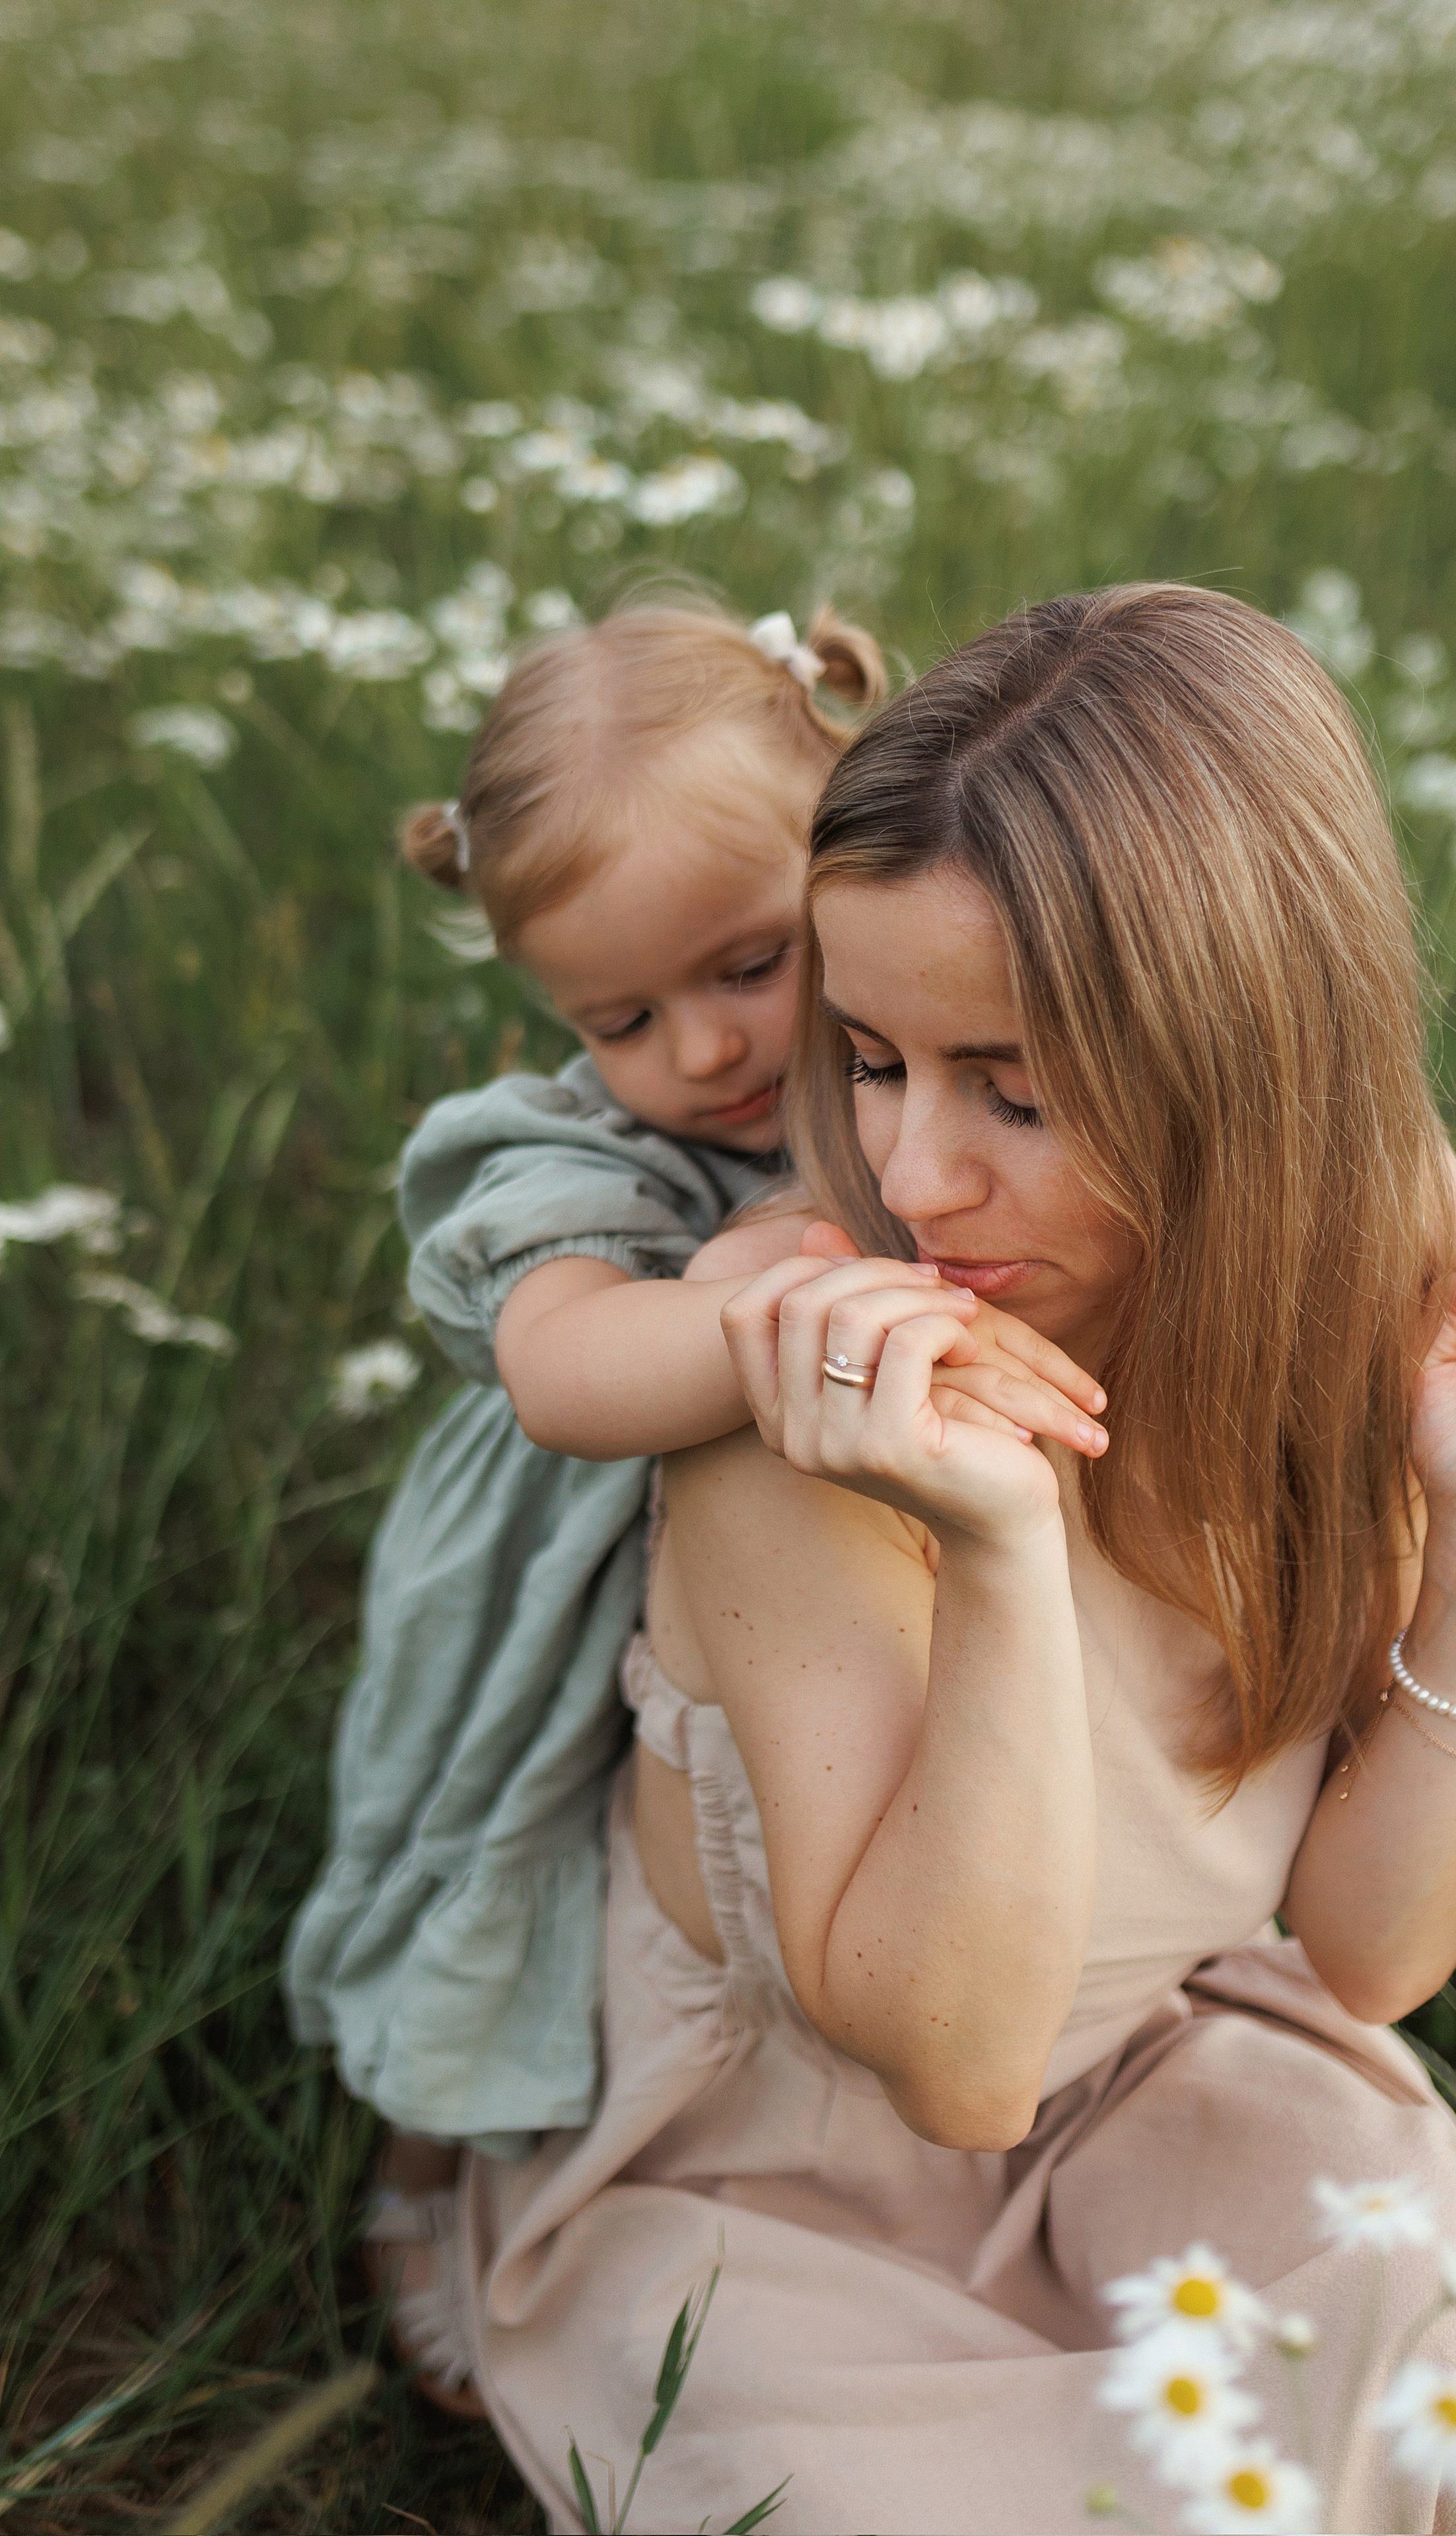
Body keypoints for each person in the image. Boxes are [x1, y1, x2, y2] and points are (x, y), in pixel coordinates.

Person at [451, 584, 1456, 2532]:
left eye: (1010, 1090)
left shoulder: (1356, 1315)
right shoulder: (813, 1380)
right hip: (773, 2176)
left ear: (1237, 1068)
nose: (917, 1173)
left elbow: (1371, 1957)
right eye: (867, 1058)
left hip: (1153, 2071)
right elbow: (954, 2064)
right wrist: (1005, 1549)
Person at [283, 592, 1106, 2408]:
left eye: (750, 966)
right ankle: (428, 2183)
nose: (713, 1050)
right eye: (624, 1012)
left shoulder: (934, 1036)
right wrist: (765, 1312)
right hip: (562, 1593)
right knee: (499, 1874)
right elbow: (565, 1377)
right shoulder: (566, 1155)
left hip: (813, 1582)